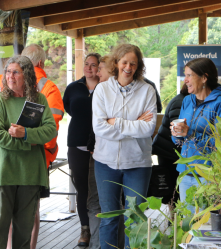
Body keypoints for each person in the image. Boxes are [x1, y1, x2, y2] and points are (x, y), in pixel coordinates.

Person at [0, 44, 64, 249]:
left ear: (27, 75)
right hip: (4, 172)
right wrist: (29, 143)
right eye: (8, 72)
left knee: (24, 231)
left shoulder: (39, 98)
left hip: (30, 174)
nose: (10, 76)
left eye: (16, 72)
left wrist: (25, 134)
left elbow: (51, 130)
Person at [92, 44, 157, 249]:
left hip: (138, 164)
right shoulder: (102, 89)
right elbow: (99, 128)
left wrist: (116, 122)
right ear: (116, 63)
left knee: (135, 219)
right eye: (124, 62)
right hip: (105, 163)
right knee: (109, 218)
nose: (128, 67)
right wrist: (133, 124)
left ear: (138, 67)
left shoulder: (147, 90)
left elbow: (148, 129)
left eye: (133, 63)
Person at [171, 58, 221, 213]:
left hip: (209, 175)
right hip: (186, 172)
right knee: (188, 224)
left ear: (204, 77)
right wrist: (176, 133)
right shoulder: (187, 100)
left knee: (206, 226)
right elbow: (180, 140)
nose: (185, 80)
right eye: (185, 75)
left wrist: (191, 134)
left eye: (189, 75)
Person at [63, 53, 101, 246]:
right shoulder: (73, 88)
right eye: (86, 64)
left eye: (93, 65)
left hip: (101, 145)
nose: (89, 68)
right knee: (82, 188)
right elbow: (68, 107)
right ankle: (85, 229)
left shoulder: (106, 87)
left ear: (100, 68)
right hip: (76, 142)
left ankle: (100, 228)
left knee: (99, 188)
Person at [150, 84, 189, 203]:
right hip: (169, 152)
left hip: (171, 150)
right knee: (173, 192)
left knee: (173, 192)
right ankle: (174, 219)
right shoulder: (181, 101)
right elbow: (177, 129)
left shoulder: (184, 100)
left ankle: (174, 217)